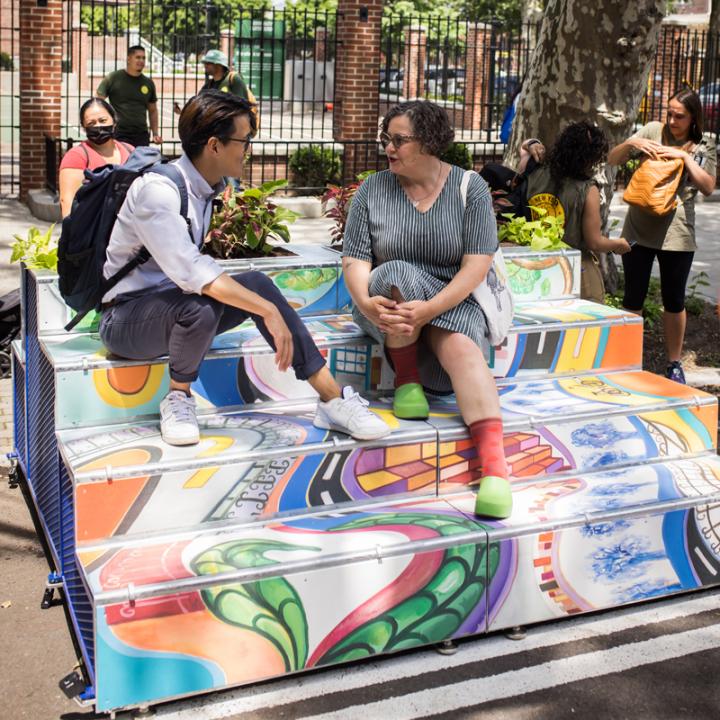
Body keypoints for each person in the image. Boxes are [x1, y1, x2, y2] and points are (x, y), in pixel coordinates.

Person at [99, 90, 389, 447]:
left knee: (256, 283)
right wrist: (267, 312)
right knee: (203, 303)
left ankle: (331, 399)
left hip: (171, 309)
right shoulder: (158, 191)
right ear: (214, 145)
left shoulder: (203, 189)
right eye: (244, 141)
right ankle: (178, 397)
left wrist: (263, 302)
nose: (248, 150)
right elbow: (191, 271)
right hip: (126, 322)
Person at [342, 100, 512, 520]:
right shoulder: (372, 190)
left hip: (451, 297)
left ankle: (495, 470)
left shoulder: (469, 188)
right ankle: (407, 380)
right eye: (387, 139)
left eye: (399, 140)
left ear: (430, 142)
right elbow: (356, 261)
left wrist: (429, 311)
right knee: (394, 274)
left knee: (463, 350)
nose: (389, 148)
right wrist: (364, 301)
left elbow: (477, 264)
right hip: (388, 304)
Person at [608, 88, 716, 384]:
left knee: (674, 300)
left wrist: (682, 156)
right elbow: (613, 158)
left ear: (694, 117)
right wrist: (632, 142)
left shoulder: (704, 145)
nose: (672, 120)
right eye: (669, 113)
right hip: (638, 229)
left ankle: (673, 363)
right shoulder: (653, 130)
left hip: (677, 234)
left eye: (679, 116)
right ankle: (625, 360)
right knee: (633, 297)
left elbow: (707, 186)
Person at [518, 123, 632, 303]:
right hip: (574, 270)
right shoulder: (587, 190)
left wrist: (533, 143)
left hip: (532, 265)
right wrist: (618, 244)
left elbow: (524, 146)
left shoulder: (533, 169)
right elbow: (594, 242)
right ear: (590, 158)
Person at [58, 98, 134, 217]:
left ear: (114, 121)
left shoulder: (130, 151)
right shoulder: (77, 157)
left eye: (103, 120)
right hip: (94, 230)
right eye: (91, 123)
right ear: (84, 127)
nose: (98, 126)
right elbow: (67, 202)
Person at [97, 45, 162, 147]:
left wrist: (155, 133)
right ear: (128, 59)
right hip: (119, 134)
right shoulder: (113, 78)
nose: (141, 61)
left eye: (143, 58)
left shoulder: (148, 83)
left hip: (141, 135)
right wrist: (105, 126)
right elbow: (98, 103)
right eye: (138, 57)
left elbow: (153, 110)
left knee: (141, 163)